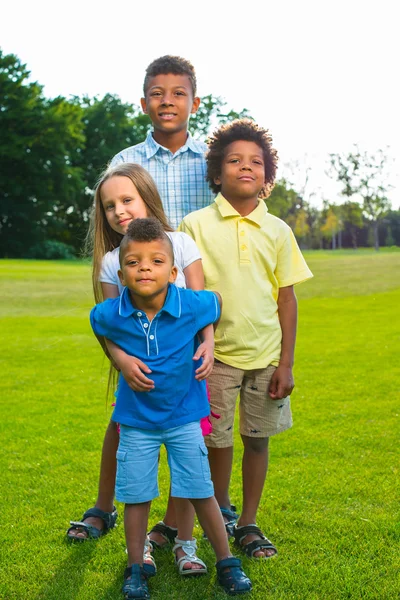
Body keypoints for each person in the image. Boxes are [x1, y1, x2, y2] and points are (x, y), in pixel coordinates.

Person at [68, 53, 214, 566]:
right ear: (144, 100)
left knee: (190, 421)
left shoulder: (209, 161)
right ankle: (105, 507)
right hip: (134, 308)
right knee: (126, 419)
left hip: (185, 309)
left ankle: (176, 526)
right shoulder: (127, 159)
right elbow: (114, 214)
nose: (167, 100)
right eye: (157, 92)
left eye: (178, 92)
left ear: (194, 101)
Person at [90, 218, 252, 598]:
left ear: (174, 271)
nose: (145, 267)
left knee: (200, 490)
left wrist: (208, 344)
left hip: (183, 420)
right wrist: (120, 357)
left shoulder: (192, 303)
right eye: (133, 262)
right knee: (137, 495)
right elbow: (97, 323)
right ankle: (135, 568)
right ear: (122, 273)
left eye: (156, 260)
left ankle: (227, 563)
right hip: (136, 423)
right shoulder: (111, 311)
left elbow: (217, 302)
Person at [179, 119, 313, 559]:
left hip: (266, 357)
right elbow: (188, 295)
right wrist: (201, 343)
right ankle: (220, 511)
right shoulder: (194, 225)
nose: (245, 167)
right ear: (217, 173)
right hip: (214, 357)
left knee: (258, 439)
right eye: (234, 160)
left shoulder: (278, 230)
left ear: (267, 177)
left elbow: (287, 299)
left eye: (256, 162)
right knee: (215, 441)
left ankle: (250, 522)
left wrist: (287, 363)